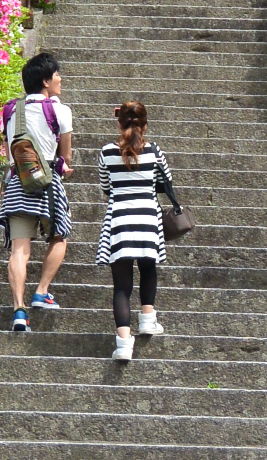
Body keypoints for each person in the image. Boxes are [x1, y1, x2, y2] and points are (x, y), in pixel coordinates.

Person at [0, 52, 75, 333]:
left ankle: (19, 311)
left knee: (19, 250)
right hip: (48, 185)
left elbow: (10, 150)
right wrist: (63, 165)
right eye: (56, 75)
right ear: (45, 81)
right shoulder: (59, 111)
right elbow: (64, 156)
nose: (60, 79)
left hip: (18, 184)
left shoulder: (8, 110)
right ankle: (41, 292)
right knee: (59, 236)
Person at [97, 101, 173, 361]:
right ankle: (148, 319)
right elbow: (166, 182)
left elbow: (106, 187)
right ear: (145, 125)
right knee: (149, 268)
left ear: (119, 124)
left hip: (120, 220)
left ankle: (123, 344)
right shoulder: (154, 151)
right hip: (148, 218)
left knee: (121, 285)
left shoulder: (107, 152)